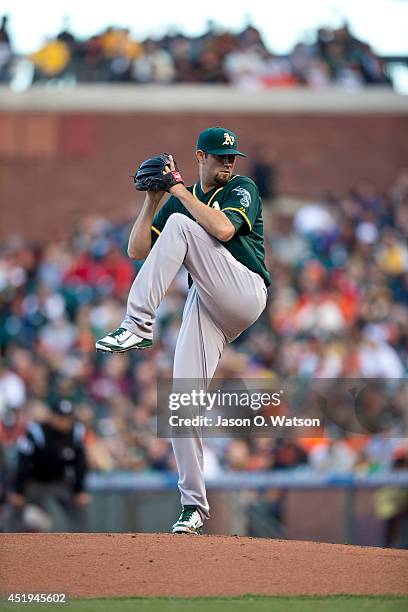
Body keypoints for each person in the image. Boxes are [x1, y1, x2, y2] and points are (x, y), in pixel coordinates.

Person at [96, 127, 271, 534]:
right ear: (200, 156)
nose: (228, 163)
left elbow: (225, 231)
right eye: (219, 156)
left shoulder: (241, 187)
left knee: (180, 226)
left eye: (231, 157)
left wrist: (176, 192)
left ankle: (137, 324)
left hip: (244, 288)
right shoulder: (182, 195)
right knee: (180, 404)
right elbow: (138, 251)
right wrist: (152, 198)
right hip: (208, 301)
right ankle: (193, 507)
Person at [6, 398, 90, 532]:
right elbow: (24, 462)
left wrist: (79, 490)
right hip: (34, 480)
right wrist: (18, 490)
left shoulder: (75, 433)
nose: (65, 422)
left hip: (59, 481)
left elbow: (80, 464)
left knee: (78, 508)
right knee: (15, 508)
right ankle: (8, 538)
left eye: (68, 418)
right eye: (61, 417)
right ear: (52, 416)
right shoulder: (37, 432)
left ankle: (84, 542)